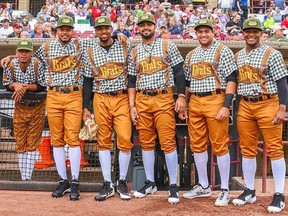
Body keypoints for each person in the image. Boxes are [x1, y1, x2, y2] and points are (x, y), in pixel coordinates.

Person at [128, 14, 186, 204]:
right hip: (143, 98)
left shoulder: (168, 45)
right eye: (142, 24)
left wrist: (181, 96)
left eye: (148, 24)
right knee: (145, 142)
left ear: (155, 25)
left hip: (163, 97)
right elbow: (131, 81)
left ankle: (173, 185)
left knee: (168, 141)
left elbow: (179, 72)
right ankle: (150, 182)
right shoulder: (134, 51)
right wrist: (132, 105)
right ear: (139, 28)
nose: (145, 27)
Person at [232, 18, 288, 214]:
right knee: (247, 148)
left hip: (268, 102)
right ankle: (249, 190)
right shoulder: (238, 56)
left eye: (255, 31)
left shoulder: (272, 53)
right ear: (243, 33)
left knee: (274, 148)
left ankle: (279, 194)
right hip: (245, 104)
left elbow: (282, 83)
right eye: (248, 31)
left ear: (261, 33)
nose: (251, 34)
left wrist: (282, 108)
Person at [179, 19, 237, 207]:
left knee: (220, 144)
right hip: (195, 100)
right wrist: (184, 102)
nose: (203, 34)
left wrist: (226, 105)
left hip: (216, 97)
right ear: (196, 33)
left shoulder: (223, 50)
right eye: (200, 31)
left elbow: (231, 79)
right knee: (197, 144)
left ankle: (225, 189)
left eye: (206, 31)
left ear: (213, 32)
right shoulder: (191, 55)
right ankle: (203, 186)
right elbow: (187, 83)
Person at [82, 16, 133, 201]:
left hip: (121, 98)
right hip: (100, 98)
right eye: (99, 29)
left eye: (106, 28)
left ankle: (121, 181)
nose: (103, 32)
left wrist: (124, 34)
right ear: (95, 31)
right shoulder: (89, 50)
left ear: (111, 29)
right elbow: (87, 80)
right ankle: (107, 183)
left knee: (125, 138)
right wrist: (85, 107)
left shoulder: (124, 44)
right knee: (103, 141)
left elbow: (133, 72)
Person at [2, 39, 46, 181]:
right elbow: (6, 83)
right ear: (16, 52)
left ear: (32, 53)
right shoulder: (11, 64)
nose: (23, 54)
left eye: (26, 51)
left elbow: (41, 85)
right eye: (21, 51)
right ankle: (24, 178)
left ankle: (29, 177)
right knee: (20, 141)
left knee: (33, 141)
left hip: (37, 106)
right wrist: (15, 85)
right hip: (20, 106)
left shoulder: (38, 63)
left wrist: (25, 87)